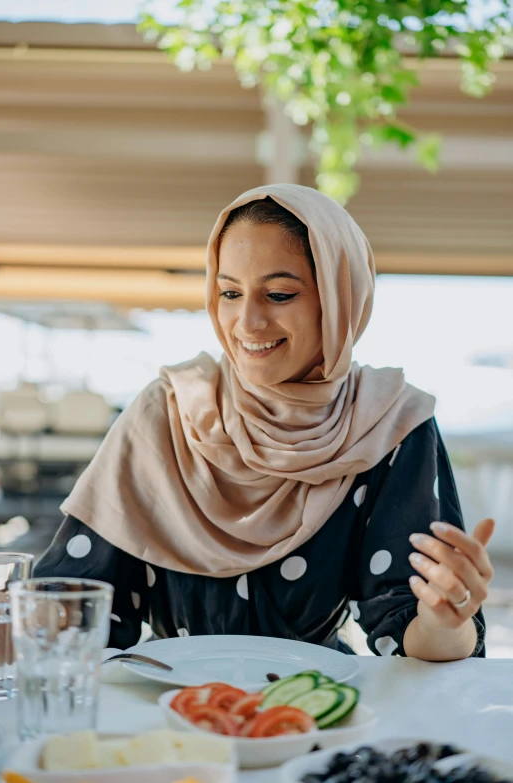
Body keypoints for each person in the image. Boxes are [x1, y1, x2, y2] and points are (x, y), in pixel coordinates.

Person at [35, 184, 494, 661]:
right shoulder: (164, 414)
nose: (247, 322)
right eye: (230, 292)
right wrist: (24, 616)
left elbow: (408, 633)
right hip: (164, 720)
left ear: (338, 300)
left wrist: (445, 620)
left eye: (278, 294)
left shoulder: (390, 425)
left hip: (314, 716)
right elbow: (74, 606)